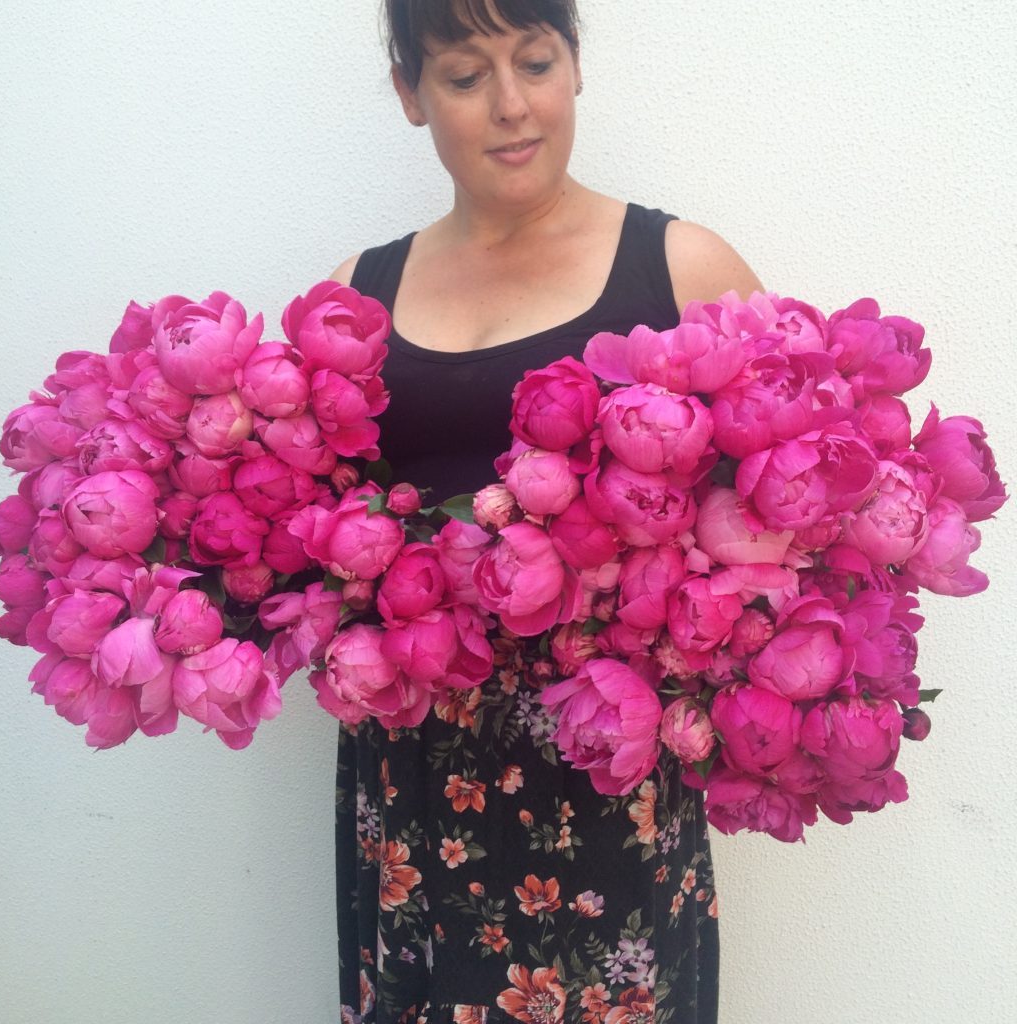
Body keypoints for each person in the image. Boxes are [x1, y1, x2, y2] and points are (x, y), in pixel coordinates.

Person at [329, 3, 763, 1022]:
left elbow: (789, 523)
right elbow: (312, 530)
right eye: (464, 76)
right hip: (416, 783)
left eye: (534, 61)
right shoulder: (359, 294)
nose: (511, 106)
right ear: (409, 93)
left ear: (575, 68)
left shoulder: (680, 267)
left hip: (608, 786)